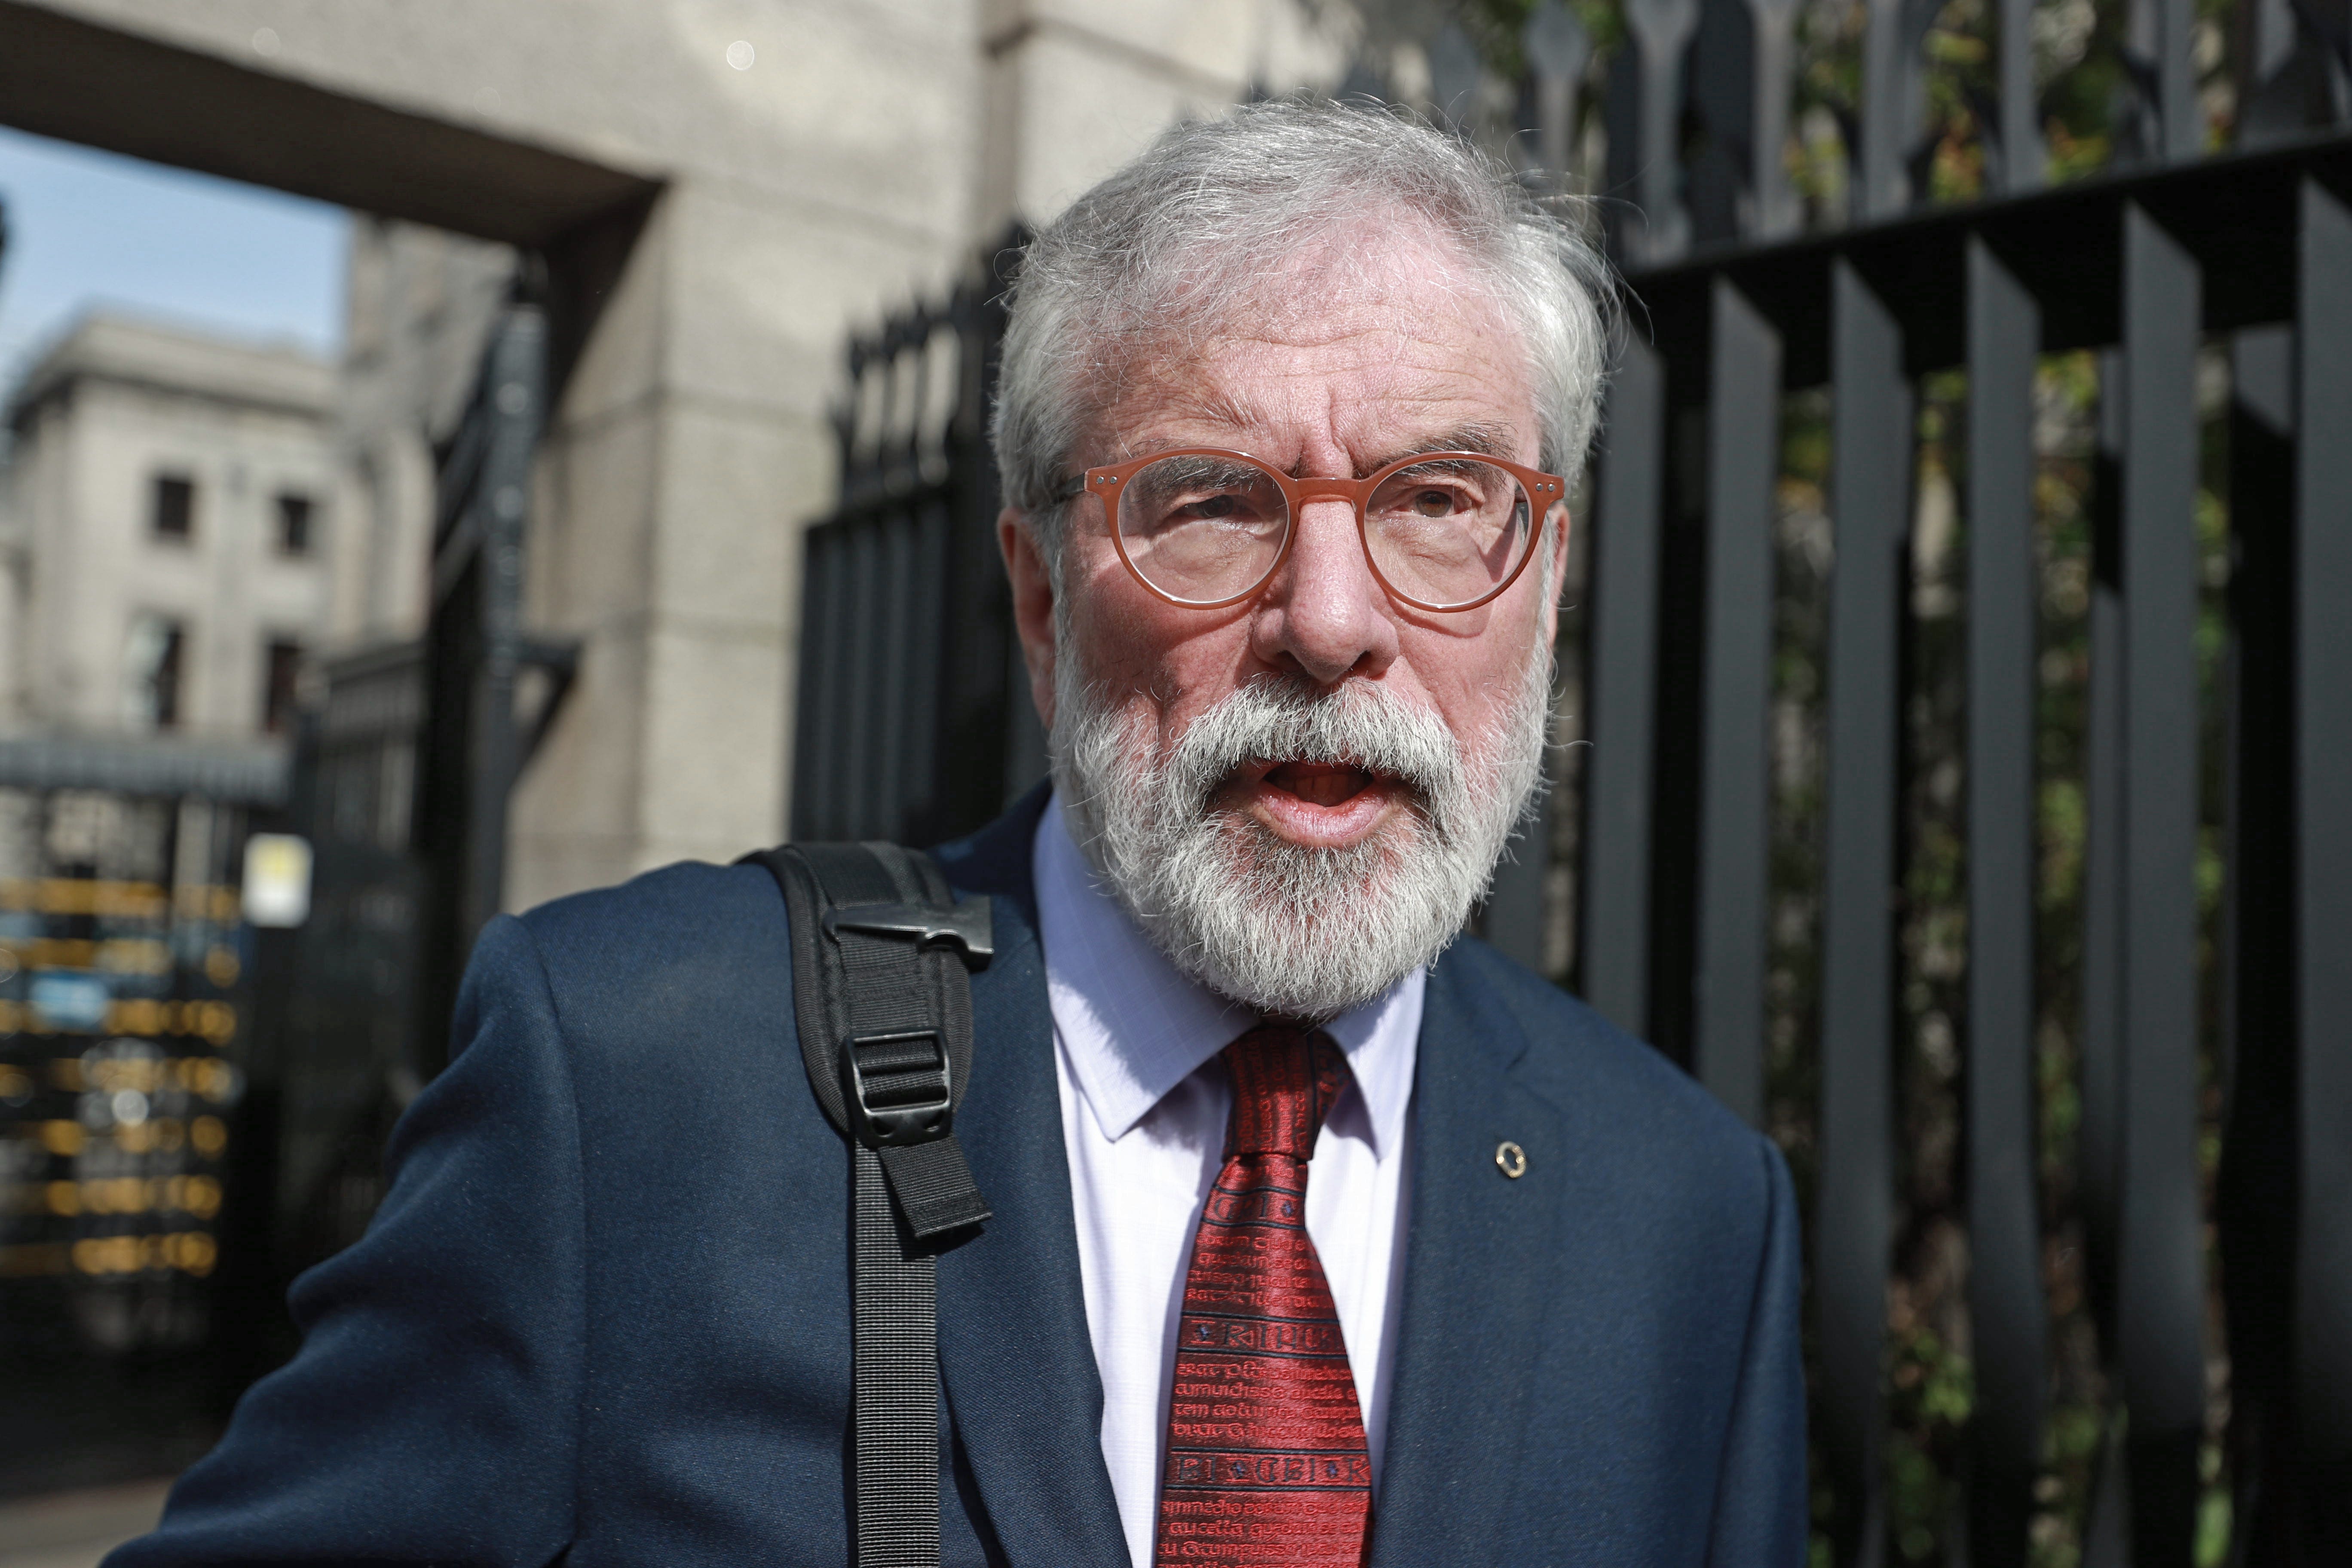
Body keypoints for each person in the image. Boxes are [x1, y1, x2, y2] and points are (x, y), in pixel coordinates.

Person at [111, 100, 1803, 1568]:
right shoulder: (637, 1082)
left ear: (1551, 582)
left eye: (1440, 502)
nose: (1332, 618)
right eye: (1209, 498)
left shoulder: (1689, 1216)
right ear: (1040, 597)